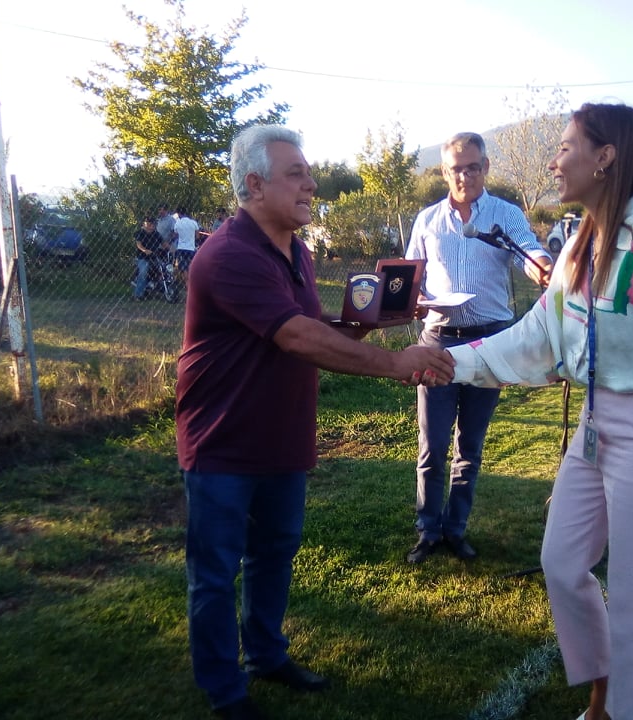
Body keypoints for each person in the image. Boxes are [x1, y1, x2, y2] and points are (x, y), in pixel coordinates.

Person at [443, 104, 633, 720]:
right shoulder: (580, 244)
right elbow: (538, 334)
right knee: (560, 564)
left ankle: (620, 710)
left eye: (565, 147)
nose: (555, 162)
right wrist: (449, 362)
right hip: (593, 425)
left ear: (605, 157)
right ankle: (603, 693)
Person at [176, 124, 455, 720]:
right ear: (254, 185)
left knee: (274, 552)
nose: (311, 185)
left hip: (282, 434)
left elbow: (310, 327)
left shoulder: (295, 250)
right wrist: (397, 363)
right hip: (223, 440)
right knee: (215, 573)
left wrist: (370, 321)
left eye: (309, 173)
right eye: (296, 174)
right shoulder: (228, 255)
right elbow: (296, 336)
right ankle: (225, 691)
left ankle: (266, 656)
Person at [404, 131, 552, 564]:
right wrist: (415, 300)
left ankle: (456, 529)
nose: (464, 176)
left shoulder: (505, 215)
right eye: (456, 169)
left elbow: (528, 252)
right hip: (439, 342)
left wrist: (544, 267)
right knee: (432, 445)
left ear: (485, 167)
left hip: (490, 343)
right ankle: (428, 530)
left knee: (470, 445)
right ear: (444, 172)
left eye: (472, 167)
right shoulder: (427, 220)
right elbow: (410, 277)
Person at [132, 216, 167, 300]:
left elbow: (164, 243)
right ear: (145, 224)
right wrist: (145, 250)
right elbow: (138, 244)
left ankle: (162, 288)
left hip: (155, 257)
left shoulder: (156, 234)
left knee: (164, 268)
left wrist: (172, 250)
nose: (152, 225)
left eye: (153, 224)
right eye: (149, 223)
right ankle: (137, 295)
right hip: (142, 257)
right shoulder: (140, 233)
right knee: (143, 272)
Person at [173, 207, 200, 287]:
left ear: (178, 214)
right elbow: (197, 236)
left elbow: (175, 235)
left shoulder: (178, 223)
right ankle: (192, 283)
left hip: (181, 248)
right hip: (191, 248)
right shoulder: (193, 222)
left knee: (183, 268)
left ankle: (187, 284)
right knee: (191, 266)